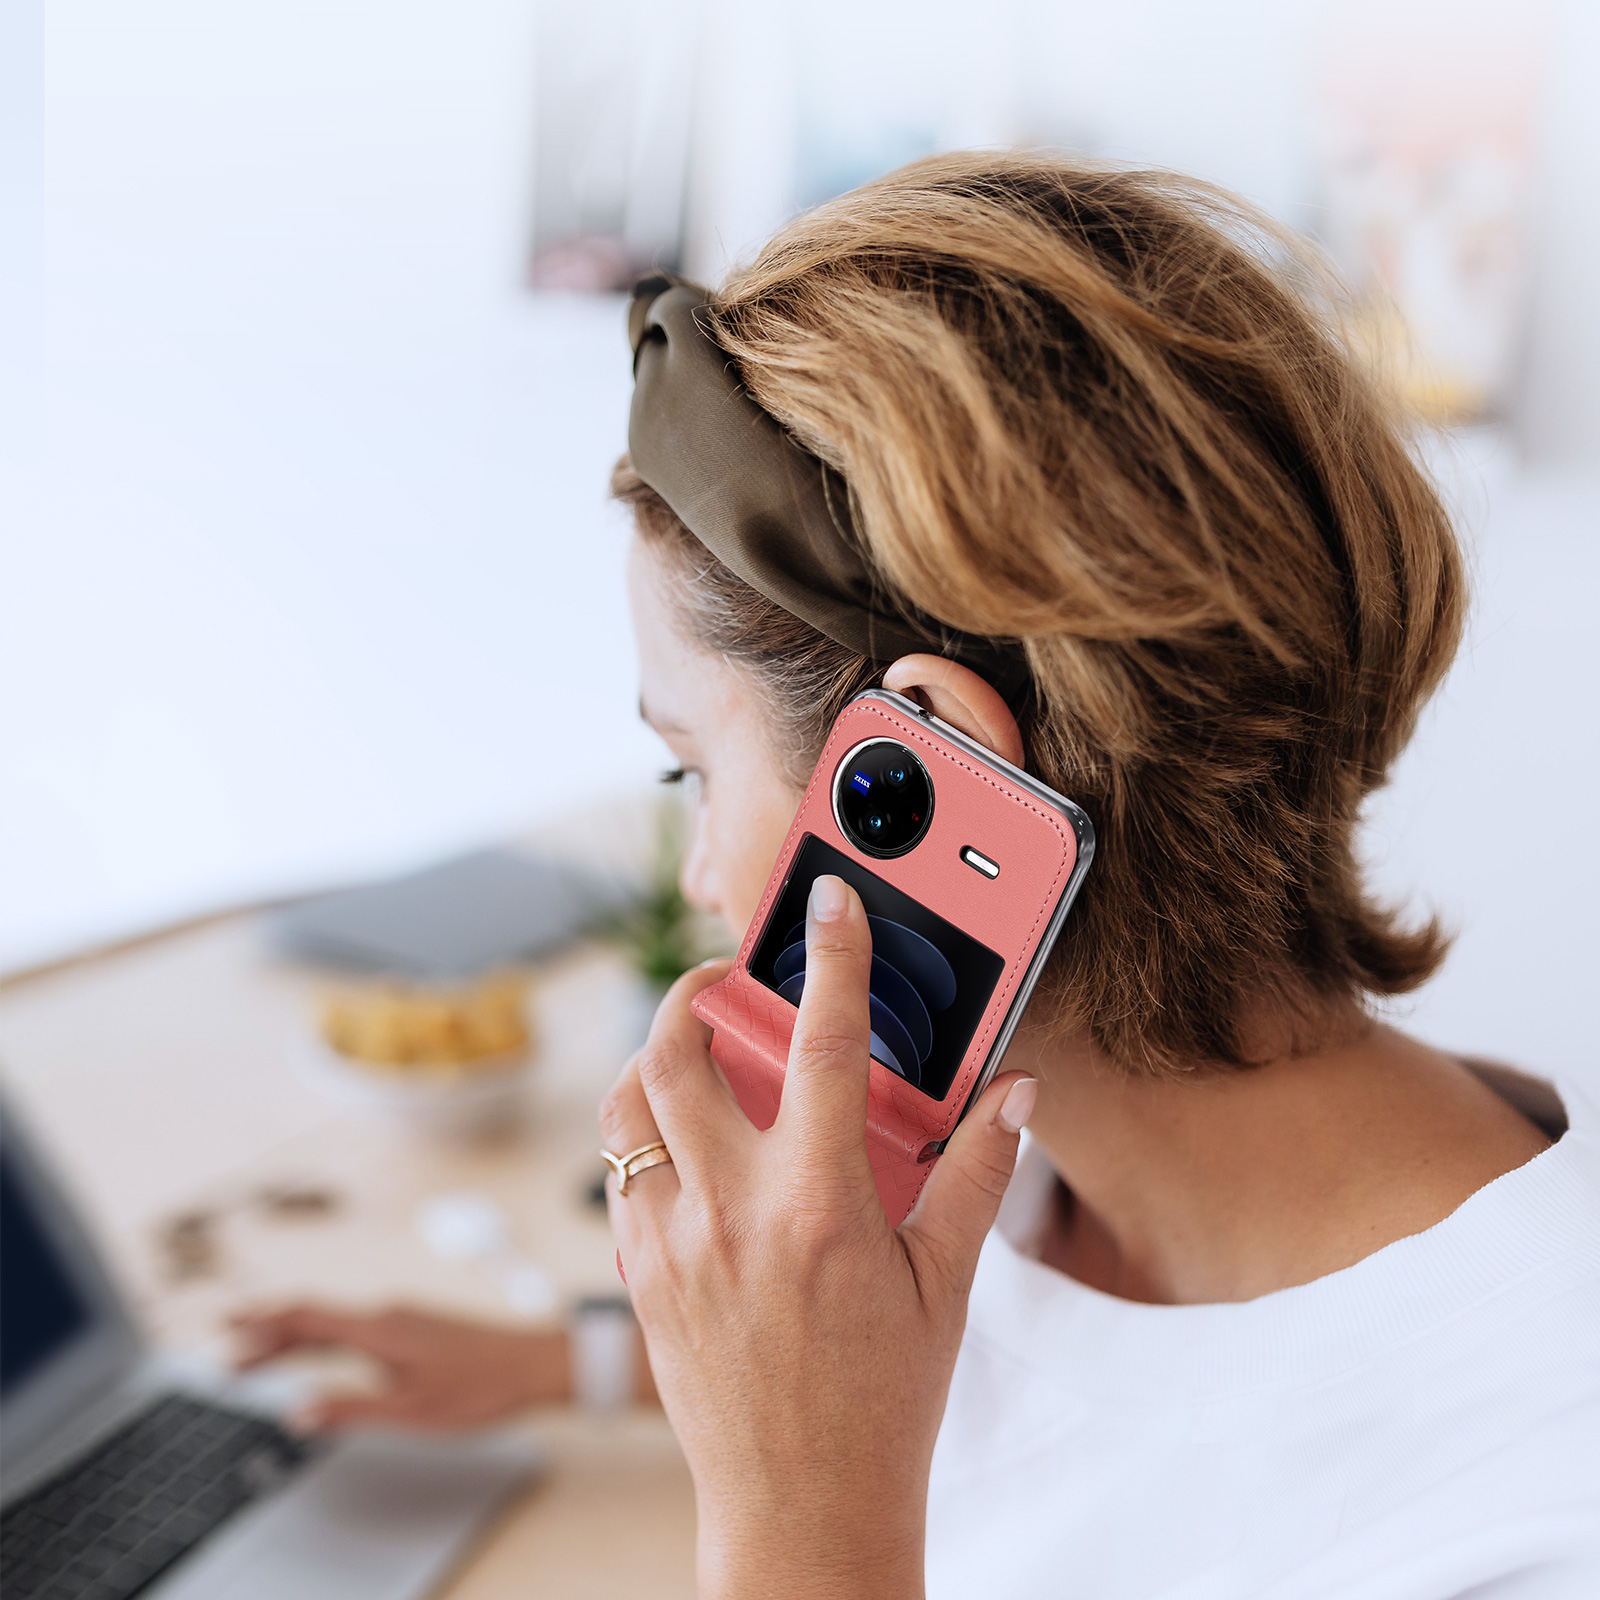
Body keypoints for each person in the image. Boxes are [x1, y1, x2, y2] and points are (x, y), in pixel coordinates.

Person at [236, 153, 1600, 1597]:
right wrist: (573, 1361)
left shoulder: (1533, 1509)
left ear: (932, 767)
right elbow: (998, 1373)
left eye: (693, 772)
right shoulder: (1020, 1151)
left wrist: (793, 1513)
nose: (698, 884)